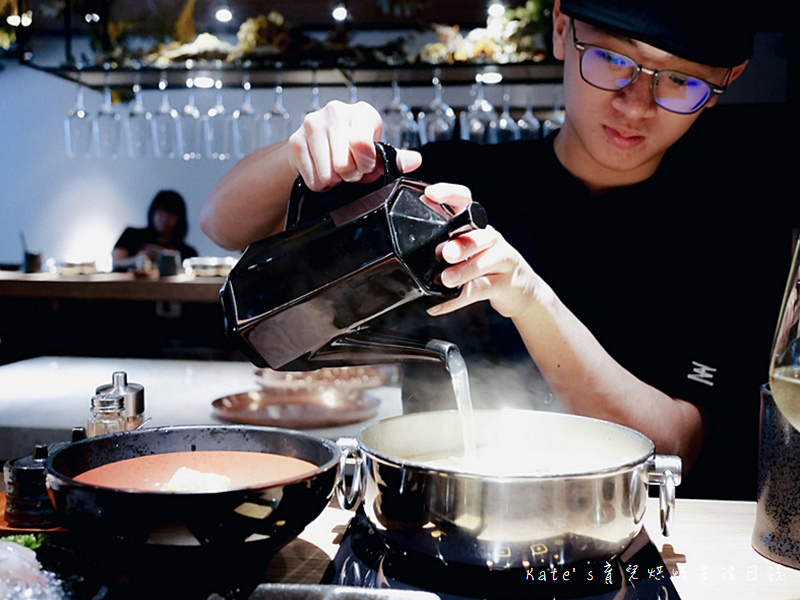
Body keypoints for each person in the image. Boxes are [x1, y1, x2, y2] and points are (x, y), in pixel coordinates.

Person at [200, 0, 793, 500]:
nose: (637, 105)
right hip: (433, 507)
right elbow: (223, 223)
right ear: (561, 28)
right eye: (613, 61)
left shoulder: (736, 231)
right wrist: (305, 146)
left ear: (724, 83)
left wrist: (529, 296)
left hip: (615, 526)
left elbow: (676, 446)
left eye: (680, 82)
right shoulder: (454, 182)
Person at [113, 190, 199, 272]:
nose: (165, 219)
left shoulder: (187, 253)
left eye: (171, 214)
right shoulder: (131, 235)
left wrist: (163, 257)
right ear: (152, 212)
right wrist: (141, 258)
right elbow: (116, 262)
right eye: (161, 212)